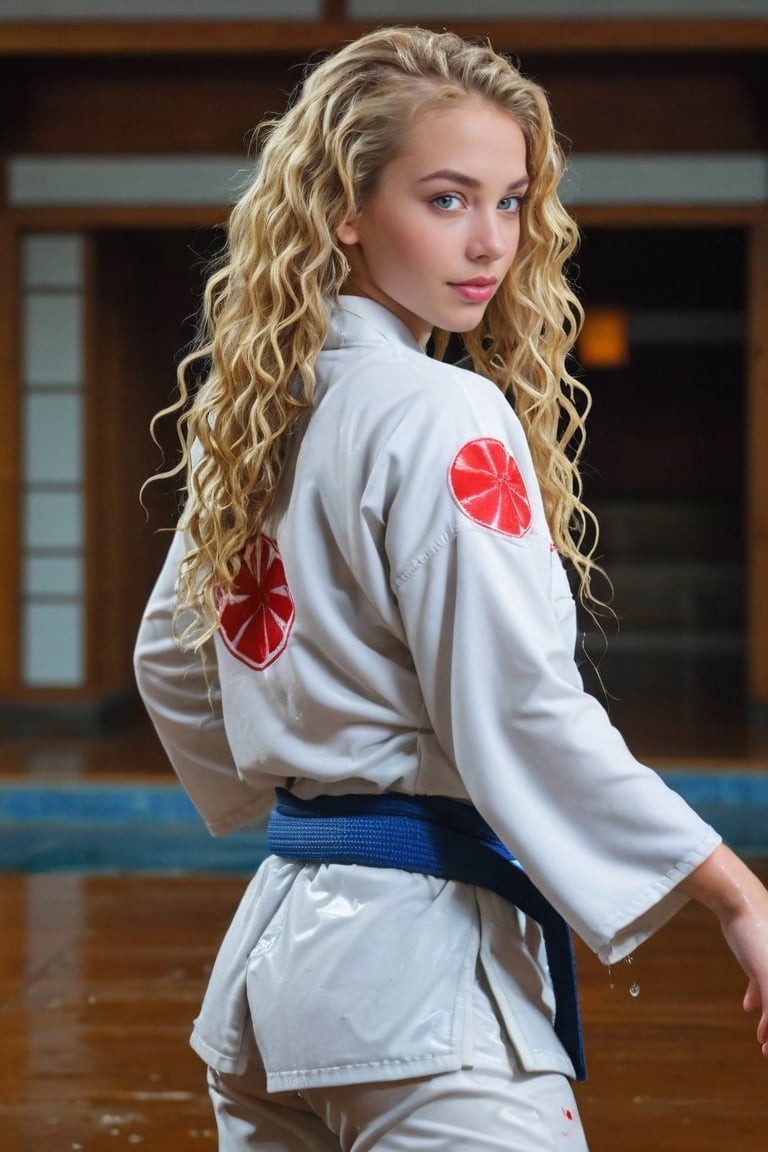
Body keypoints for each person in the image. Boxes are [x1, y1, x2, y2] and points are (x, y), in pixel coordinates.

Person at [134, 25, 768, 1151]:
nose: (490, 244)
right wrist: (734, 891)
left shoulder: (259, 409)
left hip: (276, 966)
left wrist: (295, 793)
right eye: (445, 199)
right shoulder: (444, 410)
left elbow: (173, 660)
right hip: (420, 996)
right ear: (345, 206)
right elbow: (520, 703)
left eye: (512, 201)